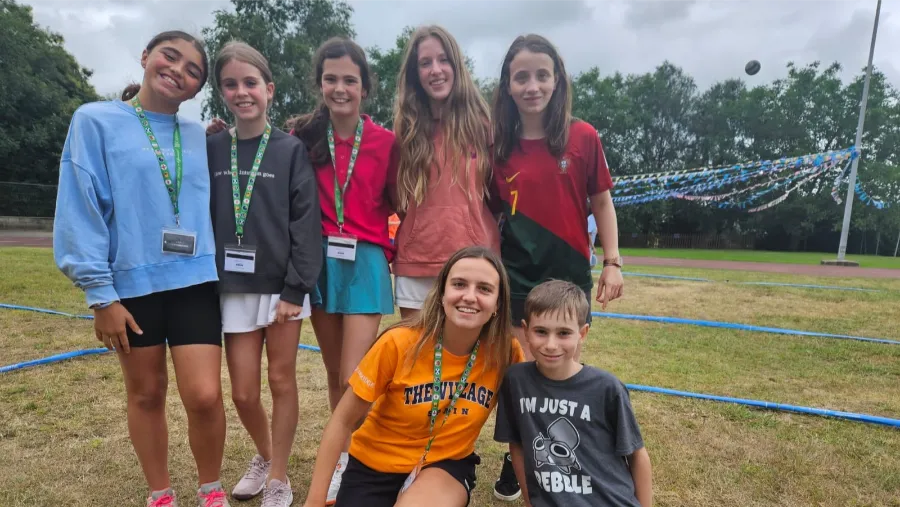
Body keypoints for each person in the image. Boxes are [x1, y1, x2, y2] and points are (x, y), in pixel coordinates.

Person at [53, 30, 231, 507]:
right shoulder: (94, 120)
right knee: (147, 394)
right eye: (170, 57)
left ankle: (211, 489)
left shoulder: (199, 136)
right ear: (146, 56)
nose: (177, 71)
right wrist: (100, 296)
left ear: (196, 89)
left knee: (205, 396)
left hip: (195, 282)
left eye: (192, 71)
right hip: (131, 286)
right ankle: (160, 493)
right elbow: (80, 208)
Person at [489, 34, 625, 501]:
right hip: (515, 278)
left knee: (558, 366)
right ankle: (518, 455)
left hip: (569, 278)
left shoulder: (583, 136)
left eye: (541, 75)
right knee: (521, 371)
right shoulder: (496, 144)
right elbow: (489, 212)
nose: (532, 86)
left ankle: (550, 455)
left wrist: (613, 262)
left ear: (557, 80)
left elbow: (602, 203)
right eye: (521, 77)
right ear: (508, 84)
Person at [302, 246, 524, 507]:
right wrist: (314, 501)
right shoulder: (399, 343)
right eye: (459, 284)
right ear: (441, 293)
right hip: (375, 464)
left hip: (445, 465)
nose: (469, 296)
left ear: (498, 304)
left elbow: (528, 422)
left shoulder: (505, 352)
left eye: (484, 289)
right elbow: (341, 421)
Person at [207, 41, 322, 506]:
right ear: (221, 91)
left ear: (269, 89)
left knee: (281, 381)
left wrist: (296, 287)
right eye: (231, 84)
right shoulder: (212, 146)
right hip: (233, 286)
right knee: (242, 392)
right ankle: (266, 454)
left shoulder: (290, 150)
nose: (242, 92)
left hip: (281, 289)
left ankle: (278, 478)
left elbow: (305, 223)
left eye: (250, 83)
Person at [290, 36, 397, 505]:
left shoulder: (386, 142)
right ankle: (346, 458)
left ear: (364, 87)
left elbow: (399, 198)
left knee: (356, 374)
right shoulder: (302, 137)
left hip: (365, 260)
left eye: (349, 80)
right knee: (335, 372)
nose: (340, 88)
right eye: (330, 79)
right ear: (319, 84)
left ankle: (366, 457)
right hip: (318, 261)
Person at [493, 280, 653, 507]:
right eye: (541, 331)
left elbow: (636, 455)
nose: (551, 344)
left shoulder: (607, 388)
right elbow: (517, 444)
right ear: (526, 331)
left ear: (582, 333)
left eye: (563, 333)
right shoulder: (515, 381)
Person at [390, 25, 500, 320]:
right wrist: (423, 225)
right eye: (425, 63)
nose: (435, 70)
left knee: (472, 349)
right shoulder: (405, 132)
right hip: (417, 262)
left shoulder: (484, 126)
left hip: (475, 260)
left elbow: (497, 195)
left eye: (443, 60)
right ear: (415, 73)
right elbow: (397, 198)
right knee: (416, 348)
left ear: (456, 65)